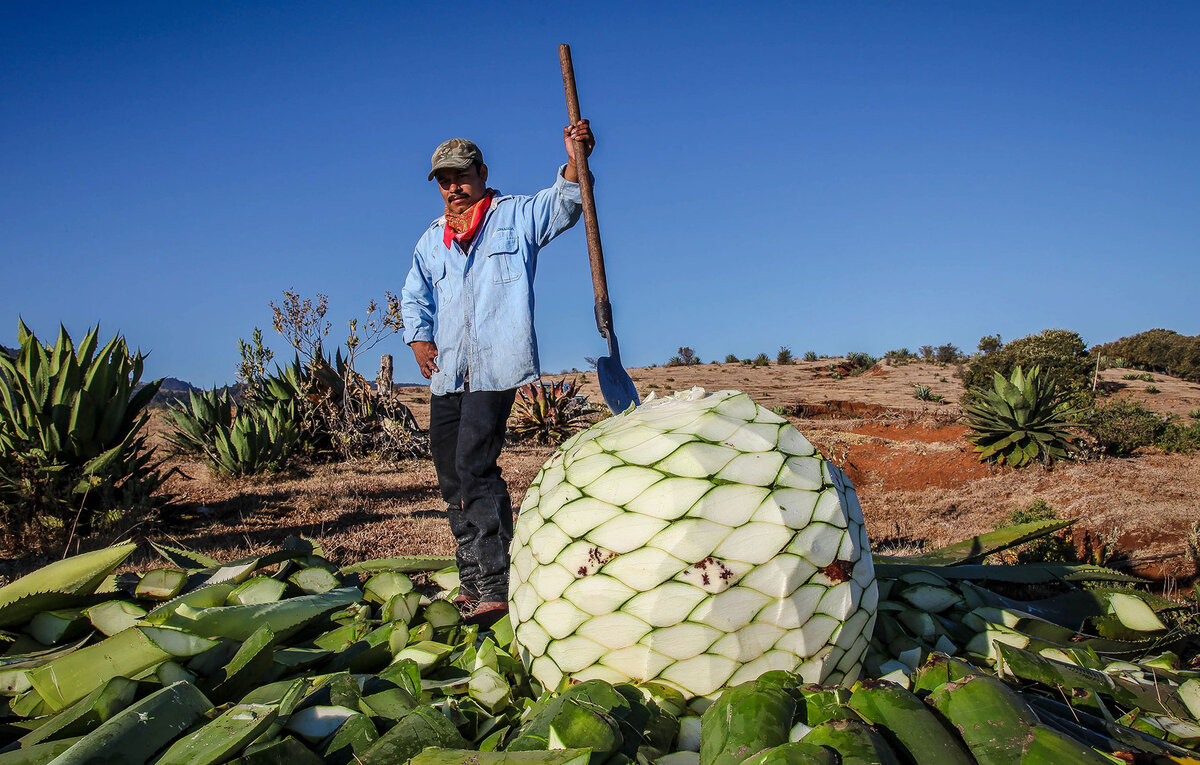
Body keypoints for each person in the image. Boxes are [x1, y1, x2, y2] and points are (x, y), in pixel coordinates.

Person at [401, 122, 595, 626]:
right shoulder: (431, 240)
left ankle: (496, 583)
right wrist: (419, 339)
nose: (452, 188)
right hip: (449, 374)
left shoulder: (514, 217)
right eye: (444, 181)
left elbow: (565, 204)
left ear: (482, 174)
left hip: (495, 366)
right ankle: (469, 581)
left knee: (473, 466)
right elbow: (415, 295)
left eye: (461, 177)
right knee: (449, 474)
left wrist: (576, 157)